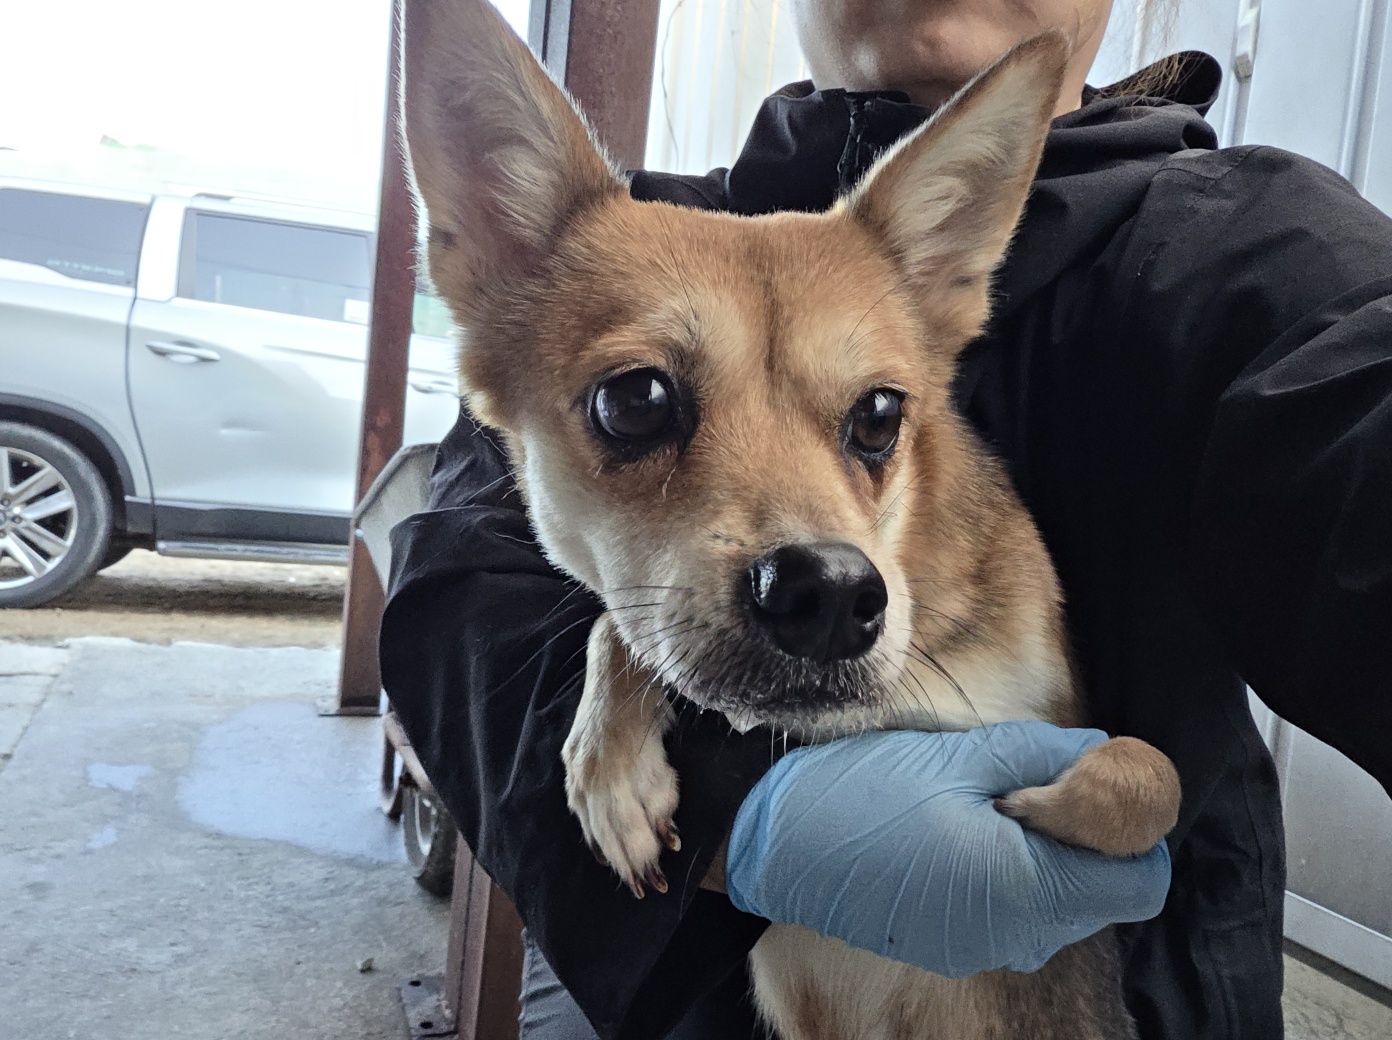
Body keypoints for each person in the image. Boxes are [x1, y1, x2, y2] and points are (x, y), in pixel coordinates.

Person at [380, 0, 1392, 1037]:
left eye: (871, 420)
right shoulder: (598, 256)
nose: (822, 557)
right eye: (638, 404)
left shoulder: (1255, 250)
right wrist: (730, 807)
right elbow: (457, 597)